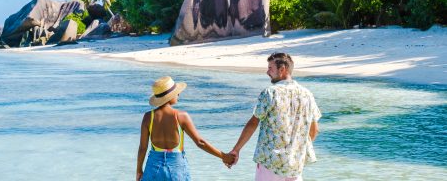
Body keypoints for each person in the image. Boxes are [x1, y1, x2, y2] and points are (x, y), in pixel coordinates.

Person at [228, 52, 321, 181]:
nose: (267, 72)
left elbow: (253, 123)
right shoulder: (307, 95)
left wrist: (236, 150)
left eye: (270, 68)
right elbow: (314, 130)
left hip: (270, 162)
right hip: (294, 165)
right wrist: (296, 148)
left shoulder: (270, 93)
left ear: (282, 69)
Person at [136, 76, 235, 181]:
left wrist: (139, 170)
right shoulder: (181, 116)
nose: (178, 94)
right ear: (169, 97)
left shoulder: (148, 117)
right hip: (176, 169)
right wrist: (224, 156)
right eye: (176, 93)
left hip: (153, 168)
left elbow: (143, 148)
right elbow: (200, 142)